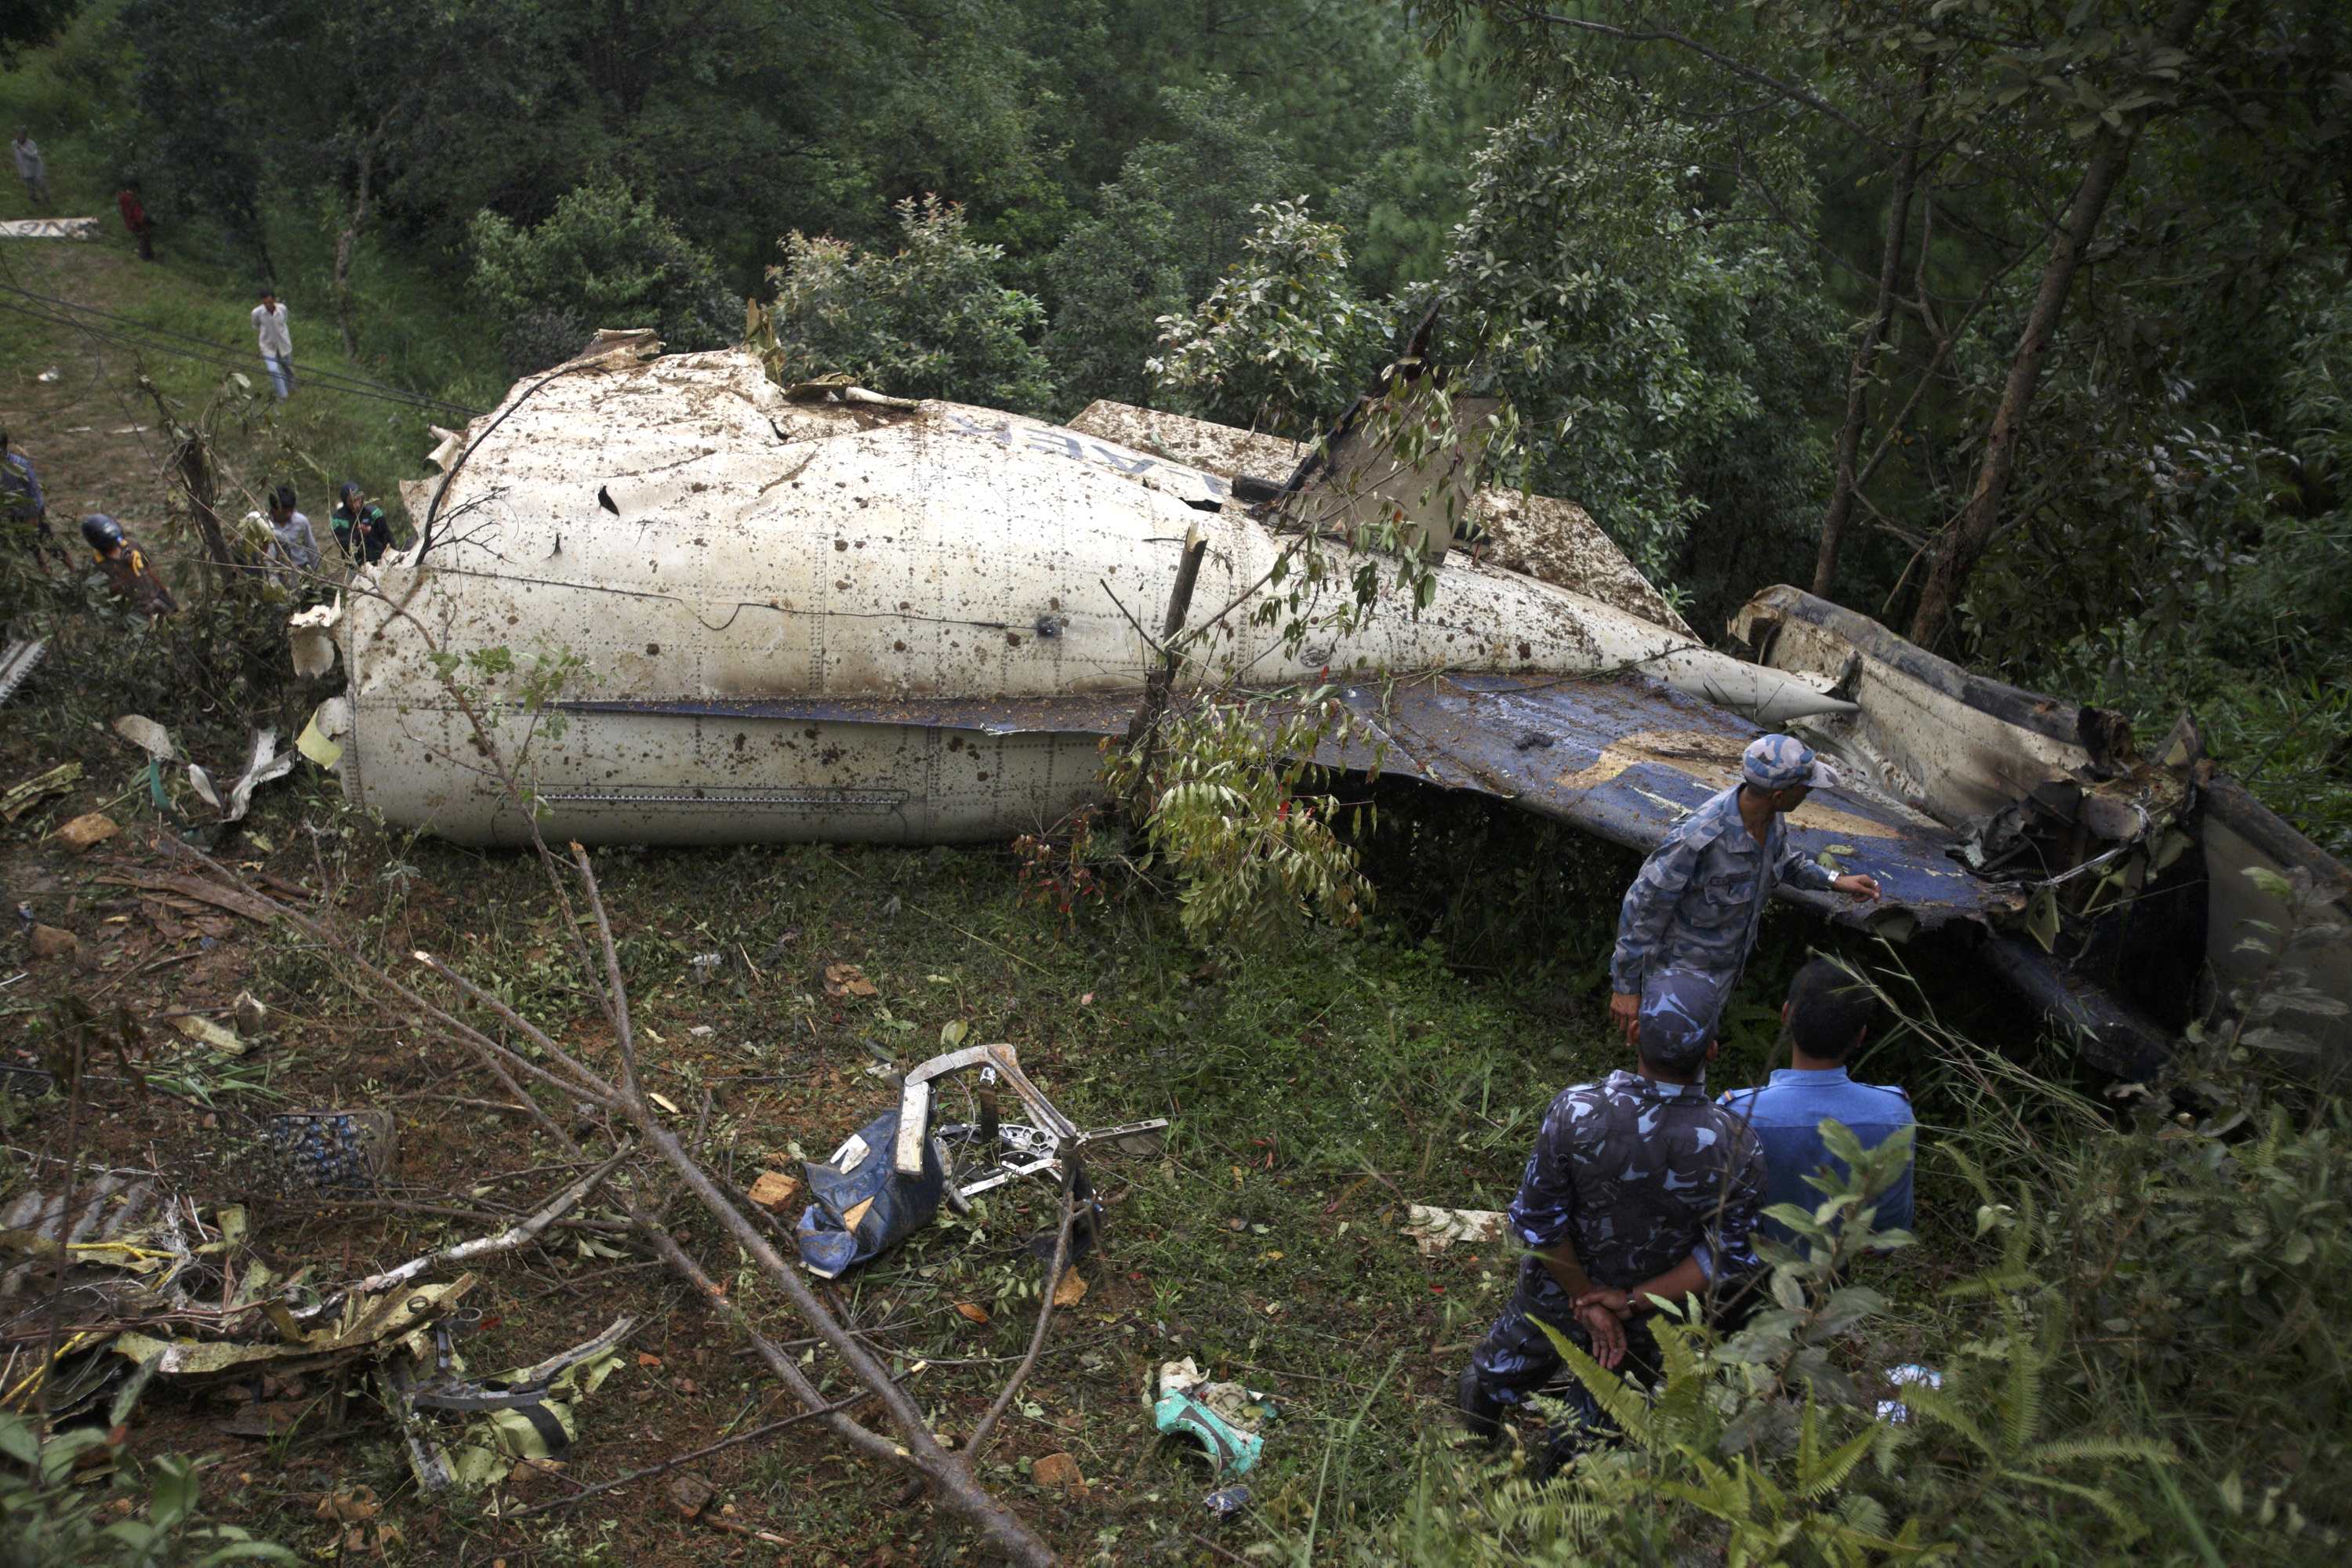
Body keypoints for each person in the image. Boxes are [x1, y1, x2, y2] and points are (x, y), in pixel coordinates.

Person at [1459, 967, 1765, 1464]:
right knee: (1599, 1417)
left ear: (1635, 1032)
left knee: (1500, 1370)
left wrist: (1583, 1297)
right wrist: (1626, 1301)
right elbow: (1724, 1258)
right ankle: (1554, 1497)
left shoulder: (1576, 1113)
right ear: (1712, 1049)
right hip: (1647, 1316)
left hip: (1555, 1292)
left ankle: (1477, 1442)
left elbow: (1536, 1225)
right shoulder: (1737, 1145)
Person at [1608, 734, 1885, 1046]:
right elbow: (1645, 905)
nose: (1809, 794)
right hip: (1680, 978)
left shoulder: (1769, 819)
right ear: (1779, 795)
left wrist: (1835, 880)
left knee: (1695, 1056)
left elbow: (1784, 862)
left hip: (1722, 970)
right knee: (1668, 1060)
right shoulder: (1699, 838)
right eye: (1805, 789)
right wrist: (1626, 986)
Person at [1719, 958, 1915, 1252]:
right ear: (1861, 1035)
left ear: (1786, 1015)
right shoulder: (1894, 1112)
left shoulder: (1736, 1112)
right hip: (1838, 1269)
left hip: (1753, 1267)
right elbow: (1890, 1227)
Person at [81, 514, 178, 619]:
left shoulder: (132, 545)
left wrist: (166, 595)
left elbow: (149, 571)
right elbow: (107, 595)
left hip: (156, 597)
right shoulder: (98, 566)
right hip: (136, 613)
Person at [2, 428, 60, 571]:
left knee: (48, 542)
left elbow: (34, 491)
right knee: (30, 546)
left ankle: (72, 569)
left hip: (31, 512)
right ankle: (44, 570)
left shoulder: (20, 464)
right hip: (12, 514)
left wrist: (33, 515)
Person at [266, 485, 321, 583]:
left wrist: (317, 575)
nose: (289, 514)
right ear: (274, 509)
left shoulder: (301, 522)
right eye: (285, 511)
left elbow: (312, 548)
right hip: (277, 575)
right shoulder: (265, 525)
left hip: (302, 573)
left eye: (291, 510)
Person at [331, 481, 394, 565]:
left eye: (358, 499)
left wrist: (393, 557)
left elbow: (387, 536)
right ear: (345, 502)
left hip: (379, 561)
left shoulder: (373, 513)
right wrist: (359, 534)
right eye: (351, 501)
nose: (356, 505)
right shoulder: (338, 519)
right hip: (355, 564)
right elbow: (343, 543)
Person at [252, 289, 294, 400]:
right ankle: (283, 395)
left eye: (270, 302)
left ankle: (291, 387)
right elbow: (256, 325)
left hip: (283, 344)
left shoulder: (282, 309)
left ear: (274, 300)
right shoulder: (257, 313)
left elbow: (285, 320)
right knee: (273, 370)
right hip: (267, 346)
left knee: (287, 367)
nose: (267, 305)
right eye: (265, 303)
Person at [12, 129, 49, 209]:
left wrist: (22, 150)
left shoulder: (32, 144)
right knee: (30, 188)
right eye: (18, 135)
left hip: (36, 167)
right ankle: (36, 204)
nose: (20, 137)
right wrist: (20, 171)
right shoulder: (14, 144)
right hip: (25, 169)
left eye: (22, 135)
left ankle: (47, 199)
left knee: (40, 183)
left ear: (26, 136)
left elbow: (34, 157)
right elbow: (17, 158)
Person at [116, 184, 154, 261]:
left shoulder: (122, 197)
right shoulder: (132, 200)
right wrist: (142, 221)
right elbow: (137, 215)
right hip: (135, 223)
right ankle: (144, 257)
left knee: (144, 236)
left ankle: (149, 256)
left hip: (129, 222)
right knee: (144, 236)